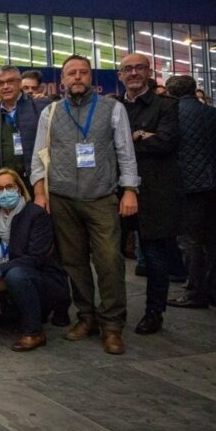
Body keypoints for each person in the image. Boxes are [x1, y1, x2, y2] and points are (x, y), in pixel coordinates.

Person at [30, 54, 140, 355]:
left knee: (108, 261)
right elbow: (39, 157)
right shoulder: (50, 112)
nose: (77, 77)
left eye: (82, 72)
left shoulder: (112, 109)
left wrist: (130, 189)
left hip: (102, 196)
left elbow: (125, 152)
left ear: (90, 77)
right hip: (63, 198)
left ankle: (112, 325)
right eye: (71, 73)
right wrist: (40, 194)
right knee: (74, 263)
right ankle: (87, 316)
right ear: (62, 79)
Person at [116, 53, 182, 335]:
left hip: (155, 191)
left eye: (139, 68)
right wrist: (143, 134)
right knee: (111, 254)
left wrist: (130, 140)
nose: (133, 73)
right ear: (120, 75)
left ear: (149, 72)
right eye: (127, 69)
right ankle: (113, 312)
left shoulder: (166, 105)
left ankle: (155, 312)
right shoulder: (114, 107)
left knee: (154, 254)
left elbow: (166, 142)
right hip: (117, 190)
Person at [0, 169, 71, 351]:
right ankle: (17, 316)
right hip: (8, 272)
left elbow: (36, 257)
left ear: (19, 188)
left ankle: (34, 331)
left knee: (16, 275)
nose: (4, 192)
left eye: (9, 186)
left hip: (41, 277)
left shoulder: (36, 215)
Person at [165, 75, 216, 310]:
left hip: (187, 185)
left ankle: (195, 291)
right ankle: (215, 291)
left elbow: (167, 147)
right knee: (214, 240)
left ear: (171, 92)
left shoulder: (172, 114)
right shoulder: (214, 113)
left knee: (189, 241)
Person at [0, 65, 49, 189]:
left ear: (19, 83)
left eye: (10, 81)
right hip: (7, 189)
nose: (5, 86)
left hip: (39, 185)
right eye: (0, 83)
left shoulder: (41, 108)